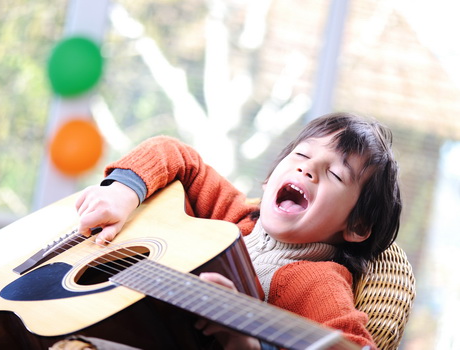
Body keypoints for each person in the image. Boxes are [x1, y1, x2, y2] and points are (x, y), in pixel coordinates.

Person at [67, 112, 401, 350]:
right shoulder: (236, 215)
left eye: (335, 175)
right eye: (301, 154)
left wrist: (244, 340)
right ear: (270, 179)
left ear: (356, 226)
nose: (307, 167)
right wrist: (122, 192)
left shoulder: (320, 282)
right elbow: (174, 153)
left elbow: (349, 342)